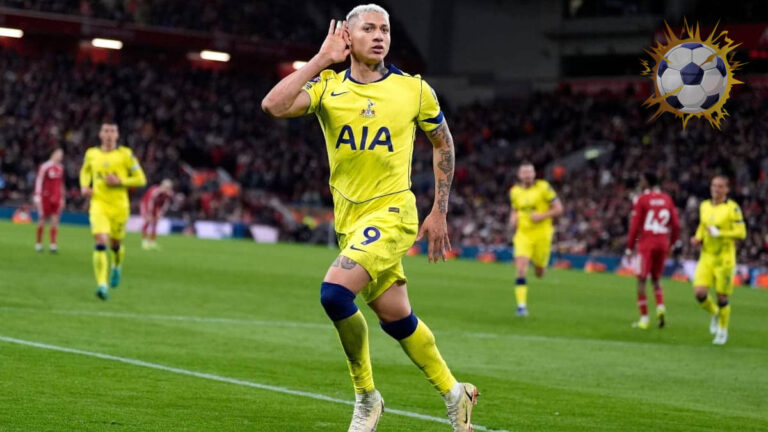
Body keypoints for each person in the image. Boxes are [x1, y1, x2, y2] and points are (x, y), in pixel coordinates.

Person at [261, 4, 477, 431]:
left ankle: (366, 397)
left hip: (393, 213)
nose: (380, 36)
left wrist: (439, 209)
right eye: (369, 29)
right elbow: (273, 105)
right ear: (347, 36)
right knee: (397, 318)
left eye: (386, 29)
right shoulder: (327, 88)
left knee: (334, 294)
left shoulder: (414, 90)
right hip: (350, 222)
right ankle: (456, 393)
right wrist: (321, 59)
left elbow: (443, 142)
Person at [79, 122, 146, 300]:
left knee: (115, 245)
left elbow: (141, 179)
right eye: (106, 131)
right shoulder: (91, 154)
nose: (109, 134)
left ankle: (116, 265)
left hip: (119, 207)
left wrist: (120, 181)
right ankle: (102, 284)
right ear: (100, 134)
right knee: (100, 241)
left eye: (112, 131)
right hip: (99, 204)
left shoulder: (126, 154)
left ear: (117, 135)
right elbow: (85, 171)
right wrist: (84, 186)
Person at [690, 175, 746, 345]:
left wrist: (720, 233)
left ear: (727, 189)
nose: (716, 189)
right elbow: (703, 225)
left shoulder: (732, 208)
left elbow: (741, 232)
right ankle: (715, 313)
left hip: (724, 258)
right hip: (707, 256)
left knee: (722, 297)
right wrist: (698, 237)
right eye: (714, 185)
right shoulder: (704, 206)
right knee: (699, 293)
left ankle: (722, 331)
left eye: (720, 186)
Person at [625, 172, 680, 329]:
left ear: (647, 182)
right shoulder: (667, 199)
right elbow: (676, 225)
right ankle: (660, 307)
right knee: (656, 279)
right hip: (662, 243)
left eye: (642, 181)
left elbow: (635, 226)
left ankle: (644, 319)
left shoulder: (642, 199)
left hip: (646, 244)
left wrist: (630, 247)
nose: (640, 183)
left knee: (641, 280)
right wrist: (672, 244)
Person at [508, 162, 563, 317]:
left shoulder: (544, 187)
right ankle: (521, 307)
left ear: (534, 174)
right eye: (524, 172)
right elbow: (515, 209)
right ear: (519, 175)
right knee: (521, 268)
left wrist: (542, 216)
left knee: (540, 273)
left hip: (542, 235)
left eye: (530, 172)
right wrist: (513, 219)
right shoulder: (515, 191)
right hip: (523, 235)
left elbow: (559, 208)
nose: (527, 175)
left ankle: (539, 266)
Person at [33, 148, 65, 253]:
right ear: (52, 154)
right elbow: (39, 180)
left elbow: (61, 184)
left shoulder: (61, 168)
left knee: (55, 220)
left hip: (56, 197)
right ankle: (38, 243)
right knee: (42, 219)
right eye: (58, 154)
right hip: (45, 197)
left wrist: (62, 197)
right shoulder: (45, 166)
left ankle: (53, 244)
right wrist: (37, 196)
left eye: (61, 155)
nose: (60, 157)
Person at [140, 179, 174, 250]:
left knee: (155, 223)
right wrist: (149, 213)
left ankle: (152, 242)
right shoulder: (155, 192)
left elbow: (165, 204)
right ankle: (144, 242)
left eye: (168, 188)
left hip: (156, 206)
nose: (167, 189)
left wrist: (160, 213)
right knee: (148, 221)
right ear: (162, 186)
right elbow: (150, 201)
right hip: (146, 204)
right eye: (165, 187)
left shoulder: (168, 194)